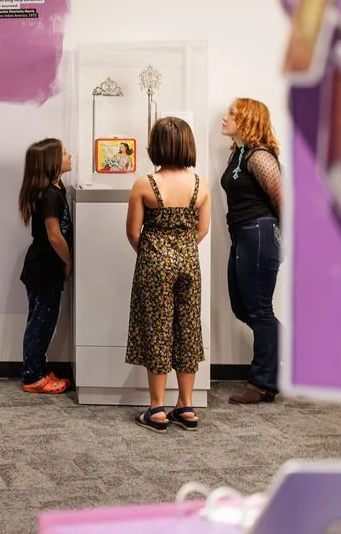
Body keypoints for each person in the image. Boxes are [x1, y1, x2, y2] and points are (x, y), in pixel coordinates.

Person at [125, 117, 211, 432]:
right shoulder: (200, 185)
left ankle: (157, 408)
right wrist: (180, 250)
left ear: (157, 147)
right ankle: (186, 406)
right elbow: (202, 230)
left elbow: (133, 231)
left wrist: (155, 253)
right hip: (189, 264)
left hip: (154, 264)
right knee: (187, 330)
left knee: (157, 330)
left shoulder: (144, 184)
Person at [220, 98, 283, 404]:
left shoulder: (259, 156)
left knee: (259, 309)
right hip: (243, 235)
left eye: (231, 113)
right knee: (242, 307)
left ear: (247, 119)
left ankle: (260, 383)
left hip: (259, 234)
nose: (224, 117)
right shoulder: (240, 153)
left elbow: (283, 200)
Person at [17, 138, 73, 394]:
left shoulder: (56, 189)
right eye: (64, 153)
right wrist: (68, 261)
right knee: (41, 324)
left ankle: (38, 367)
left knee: (43, 322)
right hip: (44, 269)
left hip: (45, 268)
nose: (70, 156)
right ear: (51, 162)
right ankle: (33, 377)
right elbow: (54, 236)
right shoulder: (49, 195)